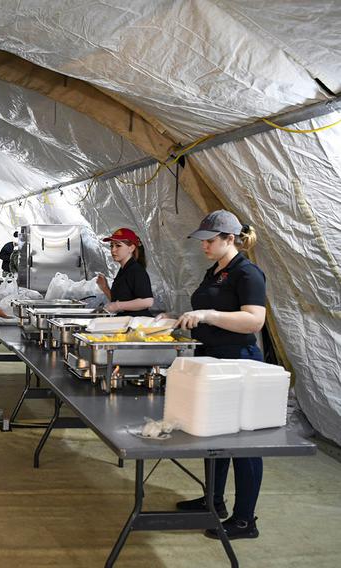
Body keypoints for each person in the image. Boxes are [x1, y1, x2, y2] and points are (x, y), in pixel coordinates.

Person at [173, 210, 267, 540]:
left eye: (210, 241)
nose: (204, 247)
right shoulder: (215, 272)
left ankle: (245, 520)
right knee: (214, 437)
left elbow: (254, 321)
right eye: (203, 242)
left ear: (230, 239)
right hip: (211, 362)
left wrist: (209, 314)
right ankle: (213, 501)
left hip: (238, 363)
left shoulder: (247, 274)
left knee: (243, 444)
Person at [94, 228, 154, 317]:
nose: (113, 250)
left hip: (136, 324)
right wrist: (105, 288)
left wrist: (117, 306)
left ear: (131, 248)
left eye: (118, 246)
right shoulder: (123, 270)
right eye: (111, 246)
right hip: (125, 323)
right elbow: (119, 301)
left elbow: (148, 301)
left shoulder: (136, 270)